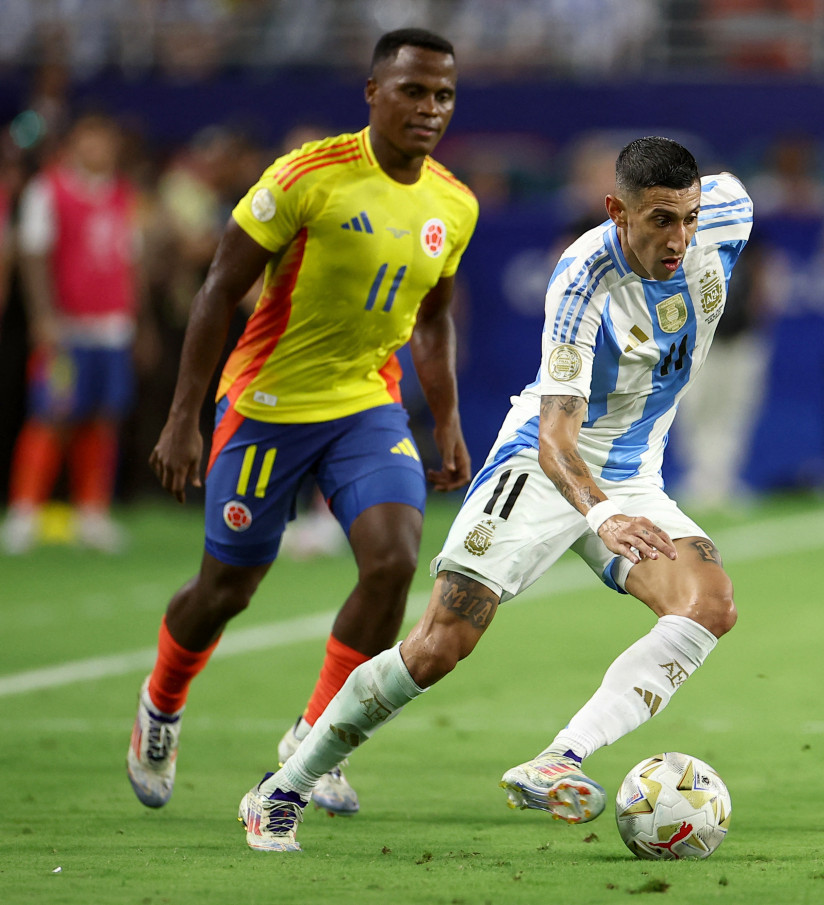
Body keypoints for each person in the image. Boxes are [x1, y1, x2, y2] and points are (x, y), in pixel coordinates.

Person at [236, 136, 752, 853]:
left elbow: (724, 196)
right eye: (661, 219)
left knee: (710, 602)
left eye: (688, 217)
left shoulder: (729, 212)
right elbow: (555, 435)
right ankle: (281, 787)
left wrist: (617, 503)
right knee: (440, 644)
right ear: (615, 210)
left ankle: (560, 758)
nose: (680, 236)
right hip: (546, 464)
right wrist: (600, 514)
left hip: (634, 476)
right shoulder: (582, 281)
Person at [127, 28, 476, 819]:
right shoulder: (306, 176)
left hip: (364, 403)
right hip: (268, 407)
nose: (429, 108)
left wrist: (446, 420)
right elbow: (218, 289)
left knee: (392, 562)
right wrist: (186, 415)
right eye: (413, 91)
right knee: (226, 589)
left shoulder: (454, 203)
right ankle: (161, 704)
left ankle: (315, 738)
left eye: (444, 95)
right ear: (372, 93)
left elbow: (433, 319)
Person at [2, 113, 143, 555]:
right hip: (67, 326)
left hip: (113, 328)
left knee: (104, 417)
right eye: (90, 138)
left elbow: (129, 260)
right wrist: (43, 317)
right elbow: (32, 255)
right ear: (75, 142)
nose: (98, 148)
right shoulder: (52, 189)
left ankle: (92, 513)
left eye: (105, 139)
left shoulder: (123, 193)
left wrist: (138, 320)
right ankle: (24, 512)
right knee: (52, 414)